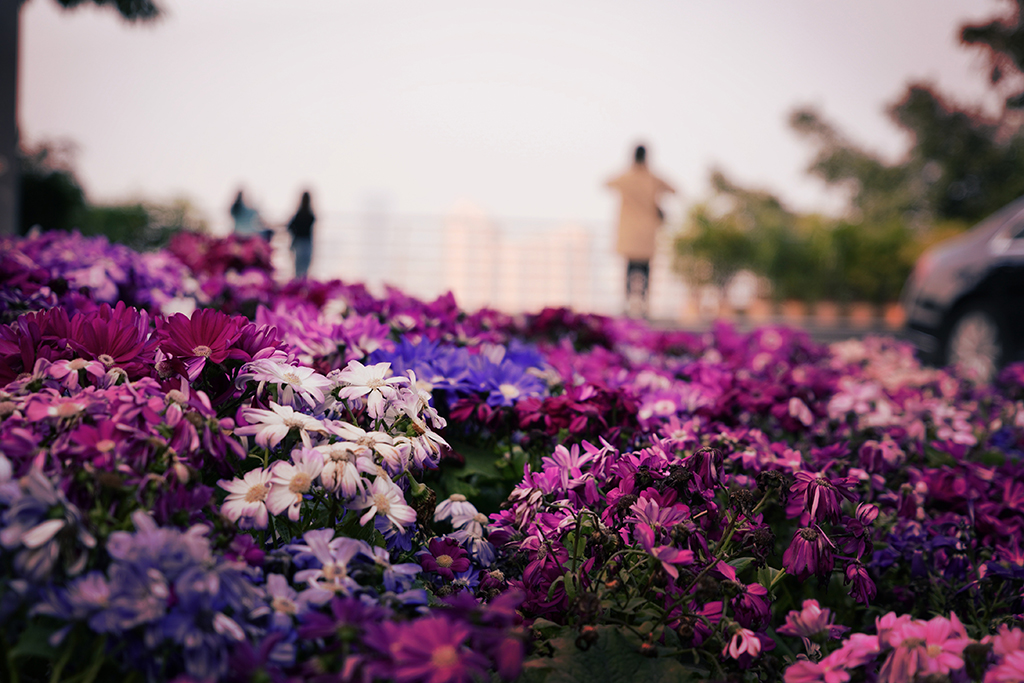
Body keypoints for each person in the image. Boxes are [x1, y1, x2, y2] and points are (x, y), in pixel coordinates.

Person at [605, 144, 676, 319]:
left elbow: (606, 183)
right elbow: (674, 189)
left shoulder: (626, 177)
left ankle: (628, 304)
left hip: (629, 234)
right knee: (645, 271)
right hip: (647, 233)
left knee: (629, 270)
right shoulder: (652, 178)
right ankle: (643, 306)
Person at [287, 191, 315, 279]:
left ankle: (297, 286)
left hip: (298, 243)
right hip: (307, 243)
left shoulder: (298, 215)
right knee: (305, 269)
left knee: (298, 269)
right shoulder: (311, 215)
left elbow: (290, 227)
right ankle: (302, 286)